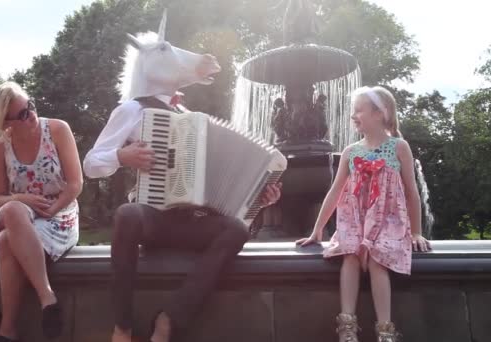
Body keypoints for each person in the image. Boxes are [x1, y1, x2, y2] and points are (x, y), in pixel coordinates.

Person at [83, 14, 281, 342]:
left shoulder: (189, 118)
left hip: (191, 223)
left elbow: (222, 186)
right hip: (153, 220)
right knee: (127, 214)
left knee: (235, 230)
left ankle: (170, 318)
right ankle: (122, 326)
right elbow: (91, 164)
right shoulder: (131, 110)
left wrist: (261, 195)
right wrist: (122, 156)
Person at [297, 86, 431, 342]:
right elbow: (335, 192)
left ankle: (385, 330)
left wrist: (416, 232)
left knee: (377, 258)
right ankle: (347, 327)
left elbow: (413, 193)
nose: (353, 116)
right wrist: (317, 230)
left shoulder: (398, 147)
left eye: (359, 110)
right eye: (353, 111)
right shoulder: (351, 152)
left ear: (380, 113)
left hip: (388, 221)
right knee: (350, 254)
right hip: (356, 220)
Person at [0, 81, 83, 342]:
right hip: (20, 215)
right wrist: (20, 197)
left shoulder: (57, 129)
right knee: (12, 209)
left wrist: (51, 210)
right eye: (23, 114)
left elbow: (75, 184)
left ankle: (7, 330)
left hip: (59, 213)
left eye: (31, 106)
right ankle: (48, 298)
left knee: (6, 241)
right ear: (6, 123)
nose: (32, 115)